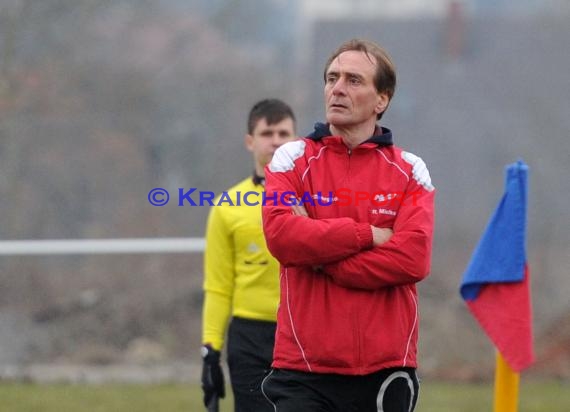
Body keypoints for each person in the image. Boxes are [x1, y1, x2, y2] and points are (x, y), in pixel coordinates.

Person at [261, 39, 435, 411]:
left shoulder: (411, 171)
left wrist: (323, 257)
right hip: (303, 370)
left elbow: (412, 259)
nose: (337, 88)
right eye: (331, 78)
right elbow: (282, 237)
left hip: (385, 368)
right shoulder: (289, 160)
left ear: (382, 100)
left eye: (354, 80)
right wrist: (367, 236)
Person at [200, 99, 297, 411]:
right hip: (250, 338)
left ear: (296, 141)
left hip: (303, 331)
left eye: (284, 133)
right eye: (267, 133)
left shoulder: (317, 200)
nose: (276, 141)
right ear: (250, 141)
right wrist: (210, 349)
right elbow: (218, 285)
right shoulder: (226, 206)